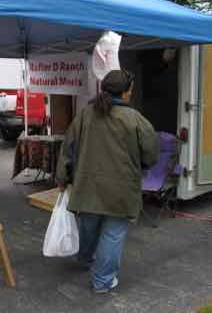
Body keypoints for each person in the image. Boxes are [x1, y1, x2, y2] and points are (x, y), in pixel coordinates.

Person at [56, 69, 159, 293]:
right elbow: (151, 154)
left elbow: (68, 148)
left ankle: (86, 260)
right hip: (122, 190)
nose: (131, 94)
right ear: (124, 93)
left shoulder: (85, 114)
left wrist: (62, 178)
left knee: (89, 227)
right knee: (112, 234)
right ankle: (102, 281)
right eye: (130, 91)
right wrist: (141, 166)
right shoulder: (136, 119)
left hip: (87, 185)